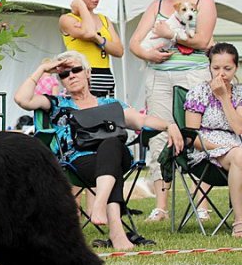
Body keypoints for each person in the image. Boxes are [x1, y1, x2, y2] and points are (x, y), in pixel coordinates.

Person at [14, 50, 183, 250]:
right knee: (112, 166)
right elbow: (21, 99)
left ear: (88, 73)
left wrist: (169, 125)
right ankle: (117, 233)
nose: (71, 76)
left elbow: (142, 120)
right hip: (79, 162)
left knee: (111, 144)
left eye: (76, 69)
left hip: (116, 154)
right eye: (64, 74)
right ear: (60, 81)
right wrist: (43, 69)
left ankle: (99, 204)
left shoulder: (110, 104)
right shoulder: (57, 104)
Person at [129, 0, 216, 222]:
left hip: (193, 74)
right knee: (158, 135)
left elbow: (203, 41)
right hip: (158, 75)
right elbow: (134, 43)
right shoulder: (156, 4)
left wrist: (172, 35)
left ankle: (200, 203)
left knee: (197, 133)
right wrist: (149, 55)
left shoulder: (204, 1)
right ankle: (161, 205)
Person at [183, 43, 242, 237]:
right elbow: (192, 137)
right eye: (216, 68)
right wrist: (221, 147)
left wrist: (224, 98)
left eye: (227, 68)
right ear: (209, 66)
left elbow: (239, 129)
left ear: (236, 68)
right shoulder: (198, 92)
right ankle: (240, 223)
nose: (221, 74)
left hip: (235, 143)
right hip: (205, 150)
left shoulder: (239, 94)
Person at [59, 0, 123, 97]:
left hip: (105, 78)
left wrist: (98, 39)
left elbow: (119, 51)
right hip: (81, 76)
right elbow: (89, 33)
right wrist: (81, 6)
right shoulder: (67, 19)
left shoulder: (104, 19)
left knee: (107, 116)